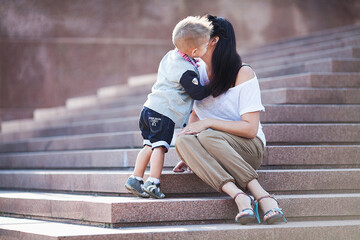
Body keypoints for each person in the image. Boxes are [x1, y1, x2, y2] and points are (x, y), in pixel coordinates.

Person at [173, 15, 287, 224]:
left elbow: (250, 129)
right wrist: (190, 153)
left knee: (208, 136)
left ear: (214, 40)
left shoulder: (243, 73)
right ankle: (240, 196)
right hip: (212, 144)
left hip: (247, 149)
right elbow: (196, 114)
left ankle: (261, 194)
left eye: (201, 34)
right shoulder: (195, 70)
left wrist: (208, 123)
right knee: (181, 140)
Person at [125, 16, 212, 199]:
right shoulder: (186, 71)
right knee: (160, 147)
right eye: (205, 45)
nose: (207, 48)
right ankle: (153, 182)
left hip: (149, 108)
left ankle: (135, 178)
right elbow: (197, 93)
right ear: (195, 50)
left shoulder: (172, 56)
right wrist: (214, 85)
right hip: (163, 112)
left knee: (149, 144)